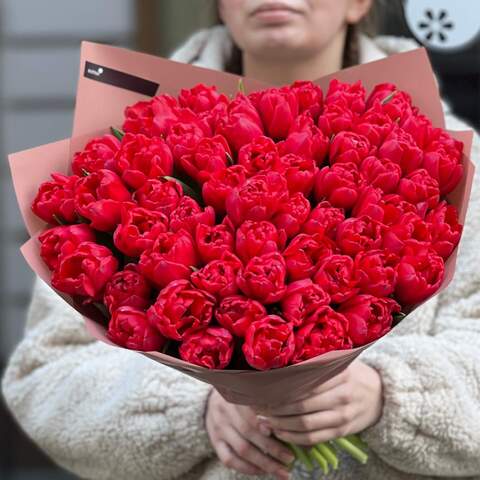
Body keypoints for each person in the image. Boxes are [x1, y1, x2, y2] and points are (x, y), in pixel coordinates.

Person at [2, 1, 480, 479]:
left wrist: (389, 394)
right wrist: (193, 410)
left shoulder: (438, 155)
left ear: (359, 3)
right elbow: (43, 376)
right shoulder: (134, 148)